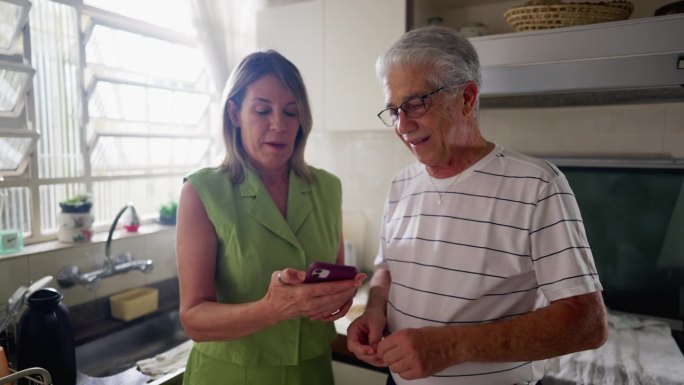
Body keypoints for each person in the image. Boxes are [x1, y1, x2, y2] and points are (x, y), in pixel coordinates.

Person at [346, 26, 608, 385]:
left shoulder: (537, 184)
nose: (403, 125)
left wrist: (452, 346)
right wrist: (375, 310)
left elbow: (587, 323)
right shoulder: (401, 185)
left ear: (467, 98)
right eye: (393, 110)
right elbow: (387, 270)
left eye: (416, 103)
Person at [176, 49, 365, 385]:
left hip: (313, 373)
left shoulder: (327, 188)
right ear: (234, 113)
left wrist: (339, 297)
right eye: (262, 110)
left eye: (290, 112)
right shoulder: (203, 191)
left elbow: (334, 280)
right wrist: (273, 308)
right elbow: (194, 320)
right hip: (230, 376)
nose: (278, 125)